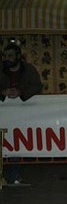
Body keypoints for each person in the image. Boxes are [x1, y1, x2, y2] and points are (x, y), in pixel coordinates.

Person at [1, 42, 43, 185]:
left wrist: (21, 92)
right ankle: (10, 176)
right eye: (5, 56)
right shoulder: (1, 69)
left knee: (19, 144)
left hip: (24, 116)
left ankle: (14, 175)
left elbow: (37, 86)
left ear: (18, 57)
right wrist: (3, 93)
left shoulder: (29, 70)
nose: (7, 59)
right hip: (5, 116)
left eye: (10, 56)